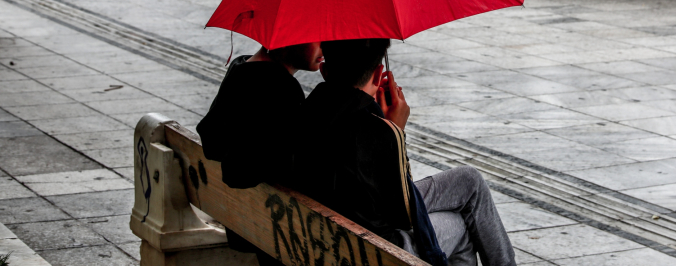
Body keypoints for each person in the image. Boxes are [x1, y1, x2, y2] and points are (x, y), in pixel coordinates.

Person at [298, 38, 517, 266]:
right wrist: (395, 131)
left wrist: (374, 115)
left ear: (324, 69)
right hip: (376, 248)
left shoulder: (308, 109)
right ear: (378, 73)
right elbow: (402, 213)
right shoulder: (377, 131)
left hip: (330, 223)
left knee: (469, 180)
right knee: (458, 225)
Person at [197, 41, 323, 266]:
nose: (326, 48)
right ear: (289, 37)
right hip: (276, 227)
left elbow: (211, 138)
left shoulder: (242, 66)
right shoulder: (279, 87)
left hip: (246, 220)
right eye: (318, 39)